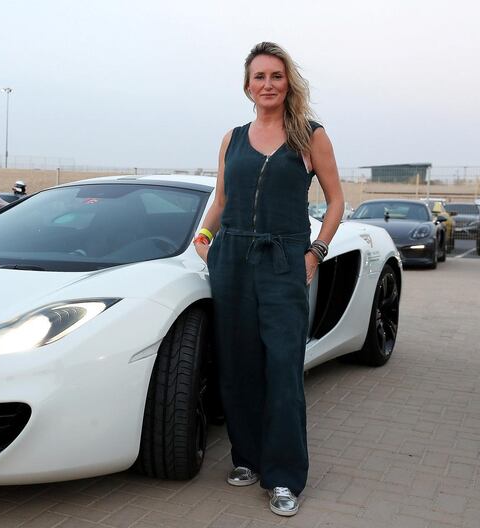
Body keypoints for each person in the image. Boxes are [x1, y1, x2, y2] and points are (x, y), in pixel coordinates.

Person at [194, 41, 344, 517]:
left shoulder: (310, 135)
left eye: (276, 76)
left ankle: (283, 477)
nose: (267, 85)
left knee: (282, 370)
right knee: (237, 367)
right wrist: (203, 235)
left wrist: (316, 252)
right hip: (232, 257)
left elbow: (336, 201)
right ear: (247, 85)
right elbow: (221, 198)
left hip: (284, 260)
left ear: (288, 82)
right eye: (259, 77)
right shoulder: (232, 137)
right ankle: (248, 458)